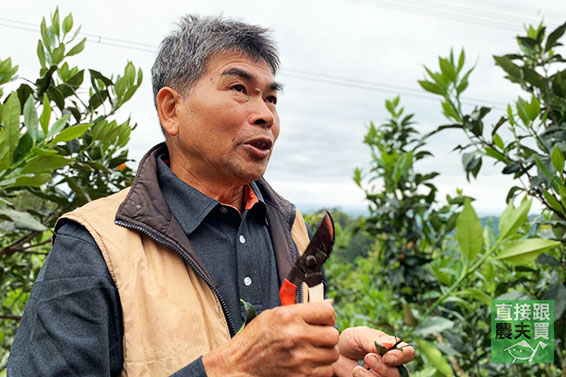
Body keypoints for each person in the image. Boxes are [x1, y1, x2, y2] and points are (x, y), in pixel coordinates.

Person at [8, 15, 414, 377]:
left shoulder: (291, 228)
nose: (266, 115)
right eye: (239, 88)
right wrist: (229, 368)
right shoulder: (96, 242)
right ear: (171, 110)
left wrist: (330, 363)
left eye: (271, 97)